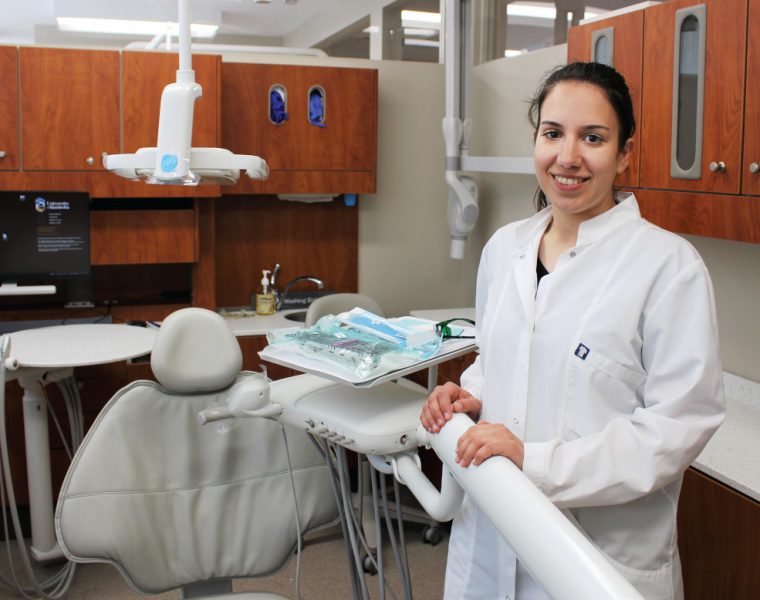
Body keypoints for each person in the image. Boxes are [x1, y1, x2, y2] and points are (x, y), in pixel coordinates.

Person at [420, 62, 725, 600]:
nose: (568, 157)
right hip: (491, 535)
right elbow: (496, 359)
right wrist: (472, 395)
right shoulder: (504, 248)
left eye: (593, 138)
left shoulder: (668, 268)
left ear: (625, 153)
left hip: (597, 559)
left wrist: (534, 462)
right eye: (553, 133)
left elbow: (676, 428)